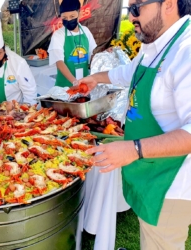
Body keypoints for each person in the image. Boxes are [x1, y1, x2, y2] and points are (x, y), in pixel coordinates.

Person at [79, 0, 191, 249]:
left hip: (169, 188)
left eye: (136, 8)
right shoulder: (156, 43)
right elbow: (129, 72)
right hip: (148, 176)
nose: (131, 17)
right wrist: (95, 78)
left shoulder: (186, 51)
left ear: (169, 4)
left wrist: (133, 149)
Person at [48, 0, 97, 87]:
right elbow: (59, 62)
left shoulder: (86, 31)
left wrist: (104, 55)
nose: (69, 20)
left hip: (84, 85)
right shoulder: (58, 35)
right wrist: (74, 82)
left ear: (79, 13)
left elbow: (92, 56)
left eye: (72, 16)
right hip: (65, 87)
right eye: (65, 18)